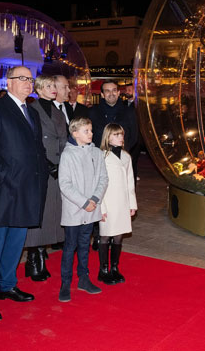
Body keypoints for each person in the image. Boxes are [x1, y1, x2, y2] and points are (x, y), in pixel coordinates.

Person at [0, 66, 49, 322]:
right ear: (9, 83)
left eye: (31, 79)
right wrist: (6, 176)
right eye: (23, 79)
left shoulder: (32, 112)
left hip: (28, 188)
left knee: (17, 240)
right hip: (5, 190)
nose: (29, 83)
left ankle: (7, 285)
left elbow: (35, 149)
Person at [58, 117, 108, 302]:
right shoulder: (68, 155)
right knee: (70, 246)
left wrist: (94, 199)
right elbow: (65, 184)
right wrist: (83, 202)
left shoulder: (97, 152)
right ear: (75, 133)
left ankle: (84, 279)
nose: (91, 133)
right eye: (86, 131)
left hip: (92, 207)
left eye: (91, 130)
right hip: (75, 209)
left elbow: (103, 178)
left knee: (85, 245)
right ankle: (65, 283)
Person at [24, 75, 66, 281]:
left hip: (59, 168)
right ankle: (34, 258)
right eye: (49, 86)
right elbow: (32, 141)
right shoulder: (32, 110)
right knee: (40, 212)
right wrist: (48, 164)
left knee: (52, 213)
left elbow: (64, 140)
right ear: (39, 89)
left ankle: (40, 253)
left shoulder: (58, 112)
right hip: (42, 168)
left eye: (54, 86)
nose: (54, 89)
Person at [88, 80, 136, 249]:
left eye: (114, 90)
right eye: (107, 91)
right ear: (102, 94)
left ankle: (115, 234)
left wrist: (123, 155)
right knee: (100, 194)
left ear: (118, 92)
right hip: (99, 159)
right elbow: (90, 137)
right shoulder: (93, 112)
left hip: (120, 160)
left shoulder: (129, 112)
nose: (111, 93)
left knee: (118, 197)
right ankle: (98, 233)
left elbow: (134, 135)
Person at [97, 123, 137, 285]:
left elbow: (130, 183)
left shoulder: (127, 156)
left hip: (122, 202)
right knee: (105, 236)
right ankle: (103, 270)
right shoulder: (101, 156)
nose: (120, 138)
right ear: (108, 137)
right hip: (107, 201)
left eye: (121, 134)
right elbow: (98, 183)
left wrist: (132, 204)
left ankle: (115, 268)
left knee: (119, 237)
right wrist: (101, 206)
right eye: (116, 135)